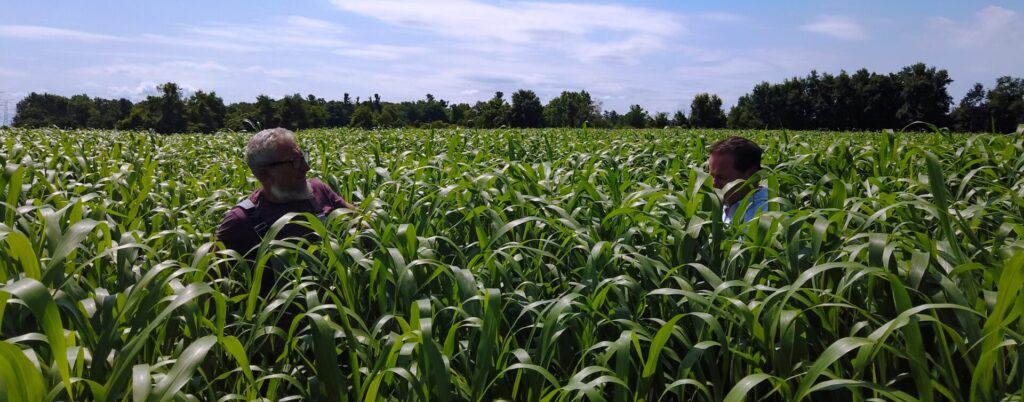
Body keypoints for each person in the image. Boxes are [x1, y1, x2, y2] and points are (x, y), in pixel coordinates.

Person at [216, 127, 356, 257]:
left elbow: (359, 221)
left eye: (303, 157)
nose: (306, 167)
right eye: (294, 161)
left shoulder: (319, 189)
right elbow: (211, 277)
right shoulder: (241, 220)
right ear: (264, 174)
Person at [708, 136, 768, 224]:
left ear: (751, 175)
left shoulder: (767, 216)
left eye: (722, 177)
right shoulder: (724, 201)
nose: (713, 183)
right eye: (712, 176)